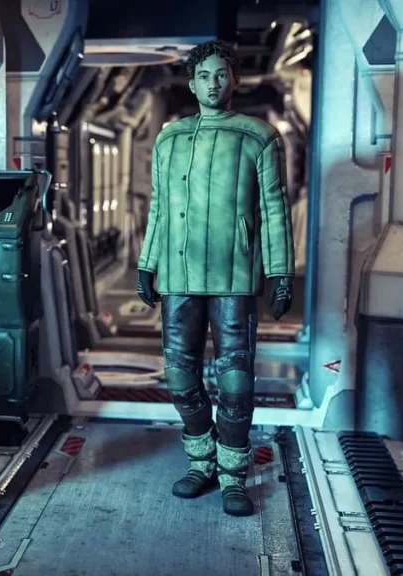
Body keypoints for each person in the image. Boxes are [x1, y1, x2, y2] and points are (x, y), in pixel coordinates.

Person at [136, 40, 294, 517]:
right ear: (191, 83)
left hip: (234, 276)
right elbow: (159, 209)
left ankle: (233, 474)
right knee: (178, 373)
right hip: (178, 275)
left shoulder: (259, 137)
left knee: (236, 378)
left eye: (221, 74)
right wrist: (147, 262)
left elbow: (275, 210)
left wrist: (280, 272)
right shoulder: (170, 139)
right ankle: (201, 460)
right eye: (204, 75)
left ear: (235, 81)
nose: (213, 83)